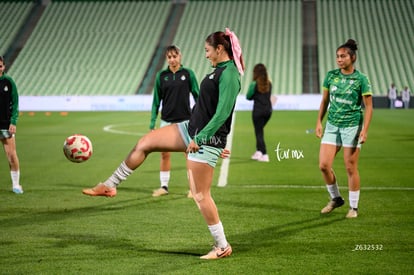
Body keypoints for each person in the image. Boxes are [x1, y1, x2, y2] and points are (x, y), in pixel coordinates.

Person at [83, 28, 244, 259]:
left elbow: (222, 113)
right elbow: (207, 109)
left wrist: (206, 139)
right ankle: (109, 184)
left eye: (207, 51)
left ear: (220, 49)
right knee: (144, 143)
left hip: (201, 138)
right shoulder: (219, 70)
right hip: (191, 129)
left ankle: (222, 246)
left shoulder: (229, 74)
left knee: (200, 195)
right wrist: (202, 136)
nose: (206, 55)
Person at [315, 39, 373, 219]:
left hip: (352, 126)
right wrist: (318, 121)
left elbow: (369, 106)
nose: (339, 59)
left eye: (343, 56)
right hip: (332, 125)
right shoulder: (331, 76)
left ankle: (353, 207)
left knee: (350, 167)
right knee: (324, 165)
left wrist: (365, 129)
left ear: (352, 57)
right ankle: (336, 199)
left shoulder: (361, 79)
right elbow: (324, 101)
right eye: (337, 56)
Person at [150, 45, 199, 197]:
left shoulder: (188, 73)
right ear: (167, 58)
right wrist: (152, 123)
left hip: (185, 120)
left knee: (189, 155)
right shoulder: (161, 76)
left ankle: (193, 188)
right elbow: (156, 101)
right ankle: (164, 187)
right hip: (166, 121)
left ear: (180, 56)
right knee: (164, 154)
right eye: (169, 57)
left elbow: (198, 96)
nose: (172, 60)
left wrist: (199, 117)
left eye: (174, 56)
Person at [0, 56, 23, 194]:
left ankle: (16, 184)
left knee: (11, 155)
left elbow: (15, 103)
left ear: (3, 66)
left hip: (5, 124)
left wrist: (13, 122)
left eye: (0, 66)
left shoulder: (9, 81)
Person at [246, 63, 272, 162]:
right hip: (268, 111)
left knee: (259, 132)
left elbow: (248, 96)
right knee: (260, 131)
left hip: (258, 111)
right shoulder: (269, 83)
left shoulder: (254, 84)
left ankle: (264, 154)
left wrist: (254, 96)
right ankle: (258, 151)